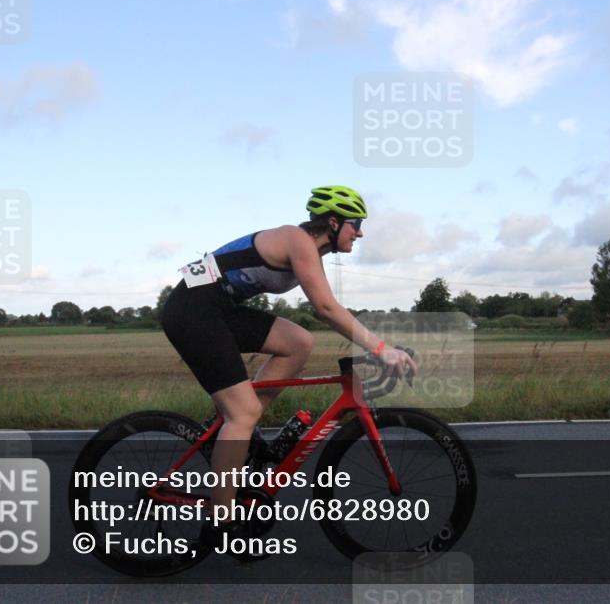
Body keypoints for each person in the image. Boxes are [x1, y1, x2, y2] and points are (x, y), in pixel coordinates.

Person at [159, 185, 418, 548]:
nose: (360, 232)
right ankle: (223, 520)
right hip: (193, 311)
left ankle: (242, 433)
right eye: (355, 224)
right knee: (243, 412)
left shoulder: (310, 251)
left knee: (299, 342)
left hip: (218, 308)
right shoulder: (297, 241)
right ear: (333, 222)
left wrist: (379, 345)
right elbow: (326, 309)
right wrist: (381, 348)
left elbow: (326, 307)